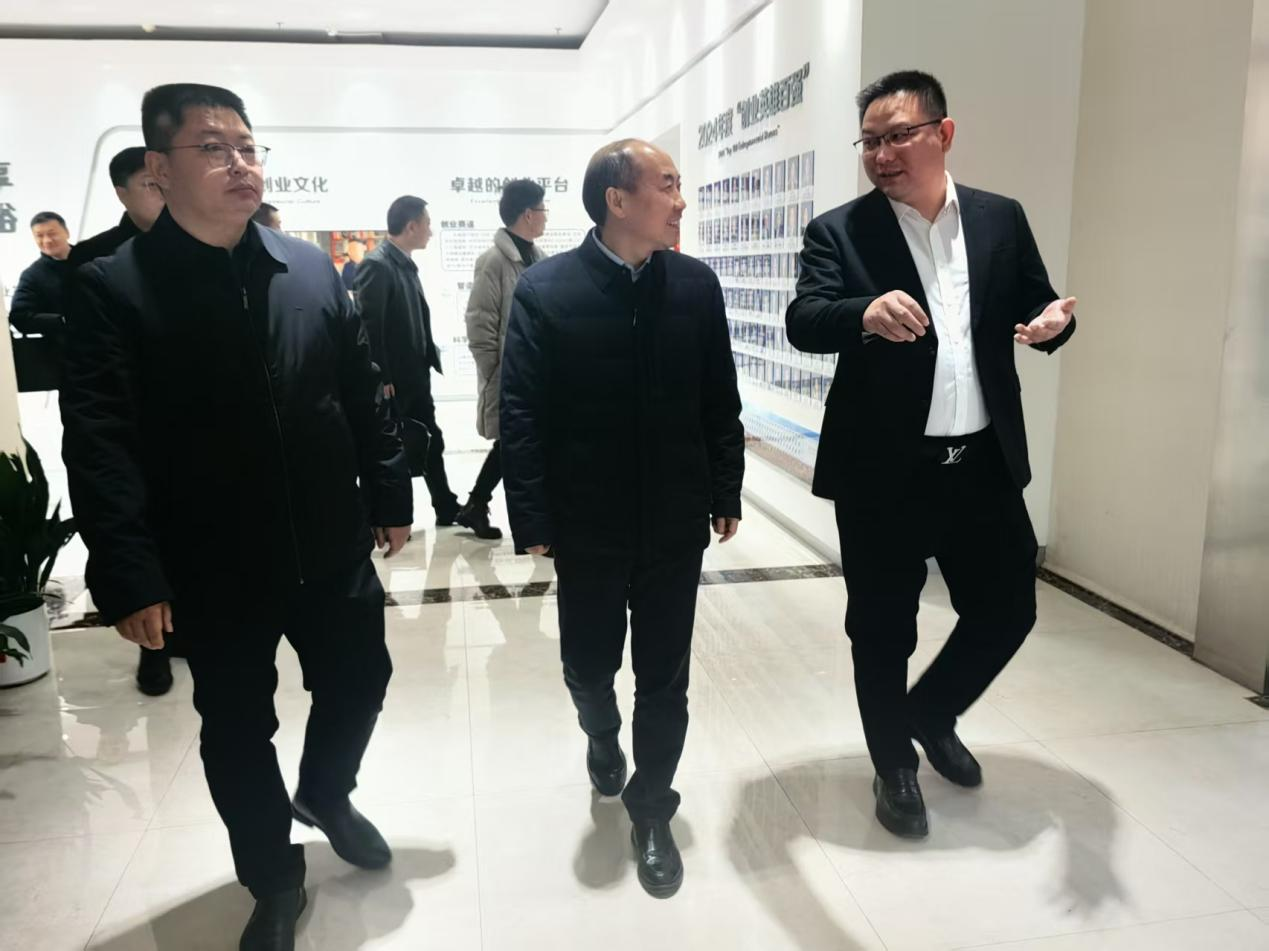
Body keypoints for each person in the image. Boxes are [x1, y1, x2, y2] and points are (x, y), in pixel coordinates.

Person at [60, 83, 412, 951]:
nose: (239, 163)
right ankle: (273, 876)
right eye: (213, 148)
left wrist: (390, 491)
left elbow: (361, 388)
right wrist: (130, 570)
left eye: (249, 147)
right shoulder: (114, 288)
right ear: (159, 167)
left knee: (361, 680)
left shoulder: (310, 269)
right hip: (211, 557)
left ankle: (325, 791)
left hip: (329, 540)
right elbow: (100, 441)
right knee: (237, 726)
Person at [786, 70, 1077, 839]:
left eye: (897, 137)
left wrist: (1052, 323)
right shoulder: (840, 232)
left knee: (1007, 606)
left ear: (942, 134)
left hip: (979, 461)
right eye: (869, 142)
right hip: (882, 471)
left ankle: (930, 710)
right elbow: (805, 318)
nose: (881, 155)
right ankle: (893, 765)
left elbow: (1036, 300)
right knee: (882, 627)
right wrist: (863, 312)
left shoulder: (997, 219)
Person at [501, 139, 744, 898]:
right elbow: (521, 412)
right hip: (588, 524)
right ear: (617, 199)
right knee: (587, 664)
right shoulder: (546, 289)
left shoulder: (695, 286)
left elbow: (719, 398)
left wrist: (725, 489)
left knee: (665, 676)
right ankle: (601, 735)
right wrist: (532, 514)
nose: (680, 200)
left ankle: (651, 808)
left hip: (674, 519)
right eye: (667, 185)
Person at [67, 146, 172, 696]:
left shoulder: (202, 248)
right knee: (144, 533)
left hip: (194, 435)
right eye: (150, 185)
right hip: (136, 429)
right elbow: (92, 396)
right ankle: (154, 651)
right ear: (122, 193)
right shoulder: (94, 261)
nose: (162, 193)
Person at [353, 196, 459, 524]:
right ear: (411, 226)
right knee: (394, 446)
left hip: (415, 375)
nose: (430, 231)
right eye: (427, 224)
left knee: (430, 439)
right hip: (395, 381)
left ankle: (445, 505)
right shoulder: (377, 265)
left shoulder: (403, 263)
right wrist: (382, 377)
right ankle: (390, 515)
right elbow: (369, 326)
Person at [456, 178, 549, 540]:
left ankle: (476, 505)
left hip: (535, 372)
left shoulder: (539, 258)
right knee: (514, 443)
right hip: (510, 374)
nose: (545, 217)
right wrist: (496, 370)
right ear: (528, 214)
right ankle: (486, 507)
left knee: (515, 442)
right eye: (542, 210)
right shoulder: (493, 261)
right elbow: (479, 323)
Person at [68, 147, 167, 267]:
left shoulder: (188, 241)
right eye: (151, 184)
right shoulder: (90, 255)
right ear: (122, 194)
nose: (167, 191)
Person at [9, 212, 73, 391]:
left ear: (66, 232)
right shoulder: (33, 275)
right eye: (39, 236)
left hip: (116, 350)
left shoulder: (94, 258)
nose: (47, 240)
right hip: (71, 359)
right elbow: (20, 317)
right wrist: (63, 321)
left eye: (52, 233)